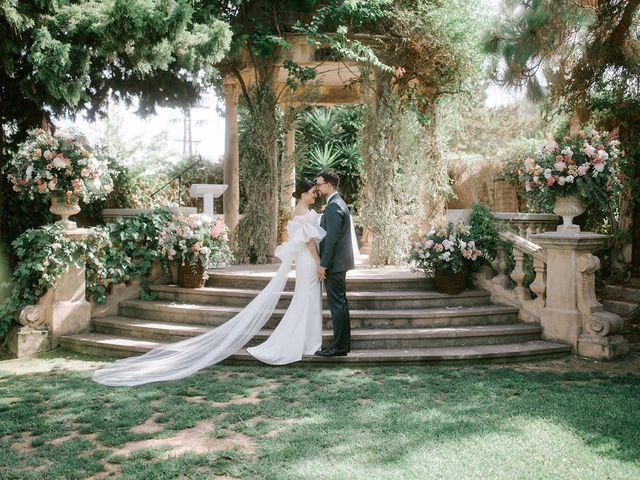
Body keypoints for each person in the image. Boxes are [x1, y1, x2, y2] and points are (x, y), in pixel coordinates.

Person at [92, 179, 325, 386]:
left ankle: (306, 340)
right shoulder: (302, 213)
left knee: (306, 298)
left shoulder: (300, 211)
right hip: (308, 260)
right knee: (306, 298)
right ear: (304, 194)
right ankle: (302, 342)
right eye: (313, 191)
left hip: (305, 260)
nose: (315, 194)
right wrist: (319, 262)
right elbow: (309, 242)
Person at [314, 170, 355, 357]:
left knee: (337, 305)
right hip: (339, 263)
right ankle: (343, 345)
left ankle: (338, 347)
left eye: (319, 184)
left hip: (335, 264)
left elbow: (331, 239)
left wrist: (323, 264)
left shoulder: (333, 206)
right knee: (341, 304)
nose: (317, 187)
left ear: (329, 185)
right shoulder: (337, 203)